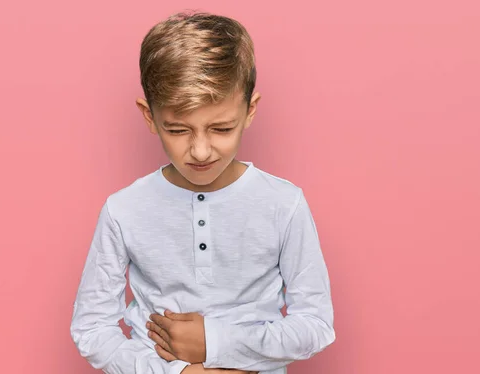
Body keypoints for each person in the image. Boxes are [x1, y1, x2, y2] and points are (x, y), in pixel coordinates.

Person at [70, 11, 335, 374]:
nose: (200, 151)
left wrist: (215, 342)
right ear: (149, 117)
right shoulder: (123, 210)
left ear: (249, 111)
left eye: (221, 128)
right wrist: (177, 372)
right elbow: (92, 327)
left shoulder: (284, 204)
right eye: (178, 130)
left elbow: (316, 325)